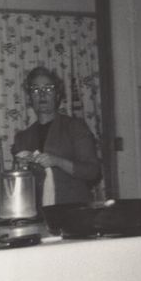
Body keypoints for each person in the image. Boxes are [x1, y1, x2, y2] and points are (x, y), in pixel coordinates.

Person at [11, 66, 101, 205]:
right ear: (30, 98)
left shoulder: (75, 127)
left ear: (57, 95)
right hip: (38, 212)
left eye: (48, 89)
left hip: (74, 210)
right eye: (35, 90)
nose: (42, 94)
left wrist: (57, 161)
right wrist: (21, 167)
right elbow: (18, 185)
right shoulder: (22, 138)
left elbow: (92, 172)